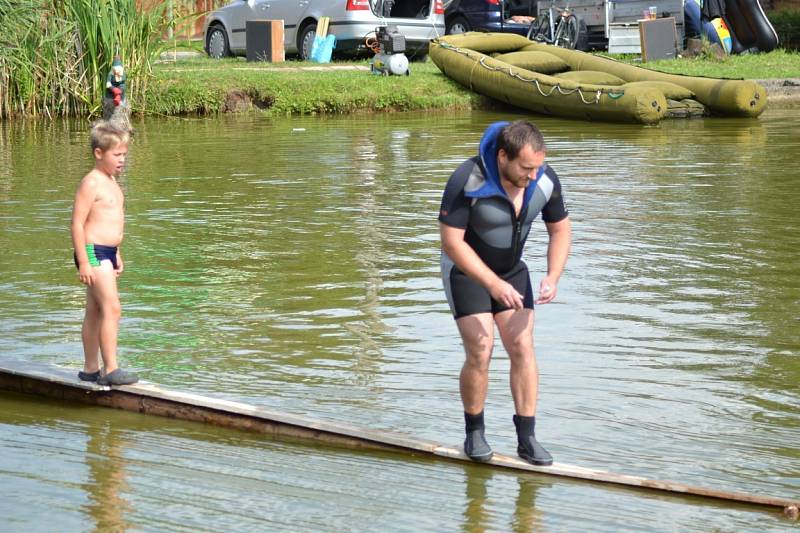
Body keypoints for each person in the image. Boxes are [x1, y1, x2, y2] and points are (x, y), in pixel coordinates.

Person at [438, 120, 571, 466]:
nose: (532, 174)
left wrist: (553, 276)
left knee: (522, 345)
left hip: (511, 270)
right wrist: (493, 285)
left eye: (538, 166)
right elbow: (451, 243)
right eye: (526, 167)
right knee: (481, 348)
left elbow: (560, 230)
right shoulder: (467, 179)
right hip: (466, 270)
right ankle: (475, 432)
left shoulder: (544, 180)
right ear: (502, 157)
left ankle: (527, 439)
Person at [71, 121, 138, 386]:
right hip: (92, 251)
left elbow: (111, 221)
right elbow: (78, 223)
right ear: (99, 153)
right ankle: (110, 369)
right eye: (117, 155)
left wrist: (117, 252)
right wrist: (85, 262)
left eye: (124, 154)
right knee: (113, 308)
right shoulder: (91, 182)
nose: (122, 160)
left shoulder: (111, 182)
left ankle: (90, 369)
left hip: (107, 252)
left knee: (96, 310)